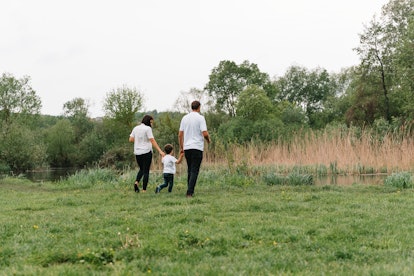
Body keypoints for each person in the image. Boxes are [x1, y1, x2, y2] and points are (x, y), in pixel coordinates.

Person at [178, 100, 211, 197]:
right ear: (199, 107)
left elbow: (180, 134)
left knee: (190, 169)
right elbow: (204, 133)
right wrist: (208, 140)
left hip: (187, 147)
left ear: (191, 107)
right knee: (194, 170)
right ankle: (190, 192)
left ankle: (189, 189)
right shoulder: (201, 118)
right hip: (197, 147)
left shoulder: (184, 118)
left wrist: (182, 147)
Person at [129, 115, 165, 193]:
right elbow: (152, 140)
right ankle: (144, 189)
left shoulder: (136, 128)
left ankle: (136, 182)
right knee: (146, 171)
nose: (152, 124)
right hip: (146, 151)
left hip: (137, 152)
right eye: (151, 122)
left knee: (141, 169)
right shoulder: (148, 129)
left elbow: (131, 139)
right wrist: (160, 151)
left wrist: (139, 140)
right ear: (148, 121)